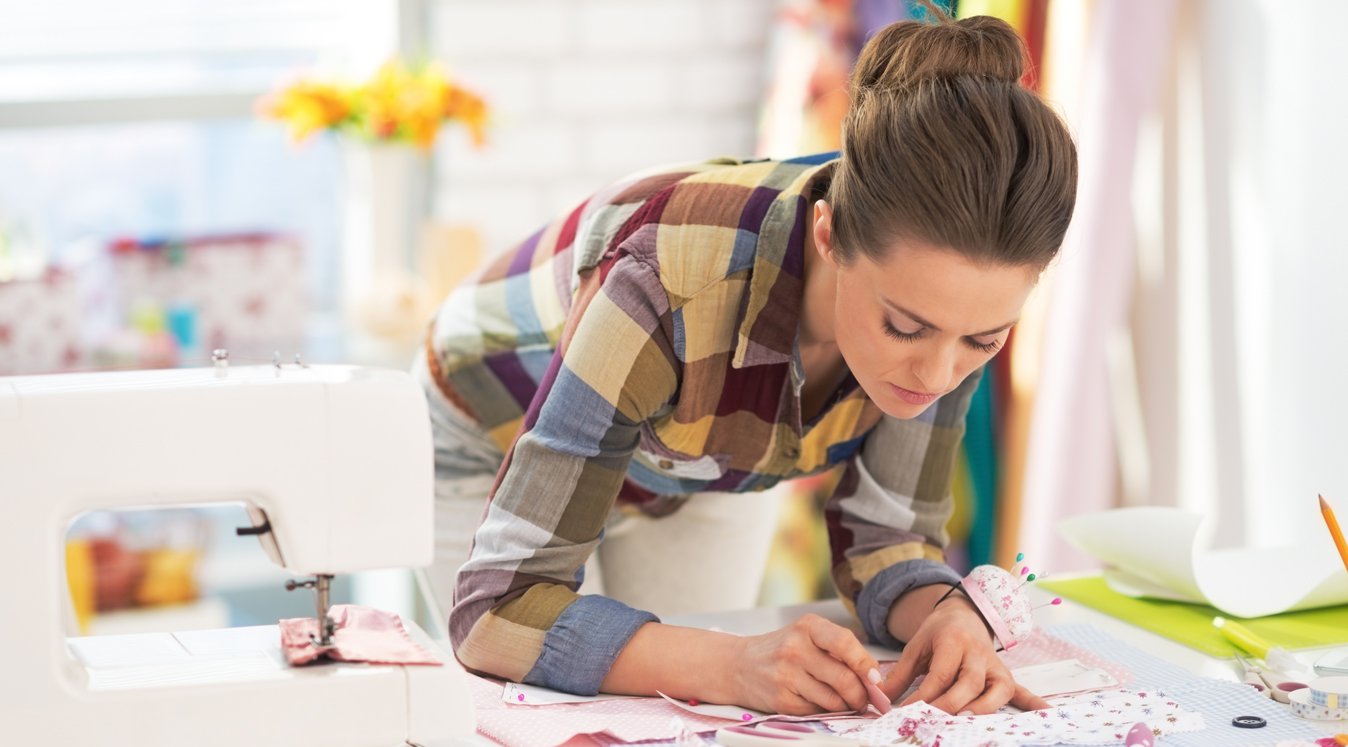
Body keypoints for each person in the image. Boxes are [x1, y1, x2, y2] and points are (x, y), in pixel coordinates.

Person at [414, 6, 1077, 717]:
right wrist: (734, 662)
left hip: (697, 457)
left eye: (982, 342)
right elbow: (496, 613)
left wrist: (947, 614)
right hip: (491, 424)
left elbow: (889, 538)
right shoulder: (662, 280)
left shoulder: (943, 295)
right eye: (905, 326)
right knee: (545, 705)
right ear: (828, 234)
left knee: (682, 720)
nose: (938, 375)